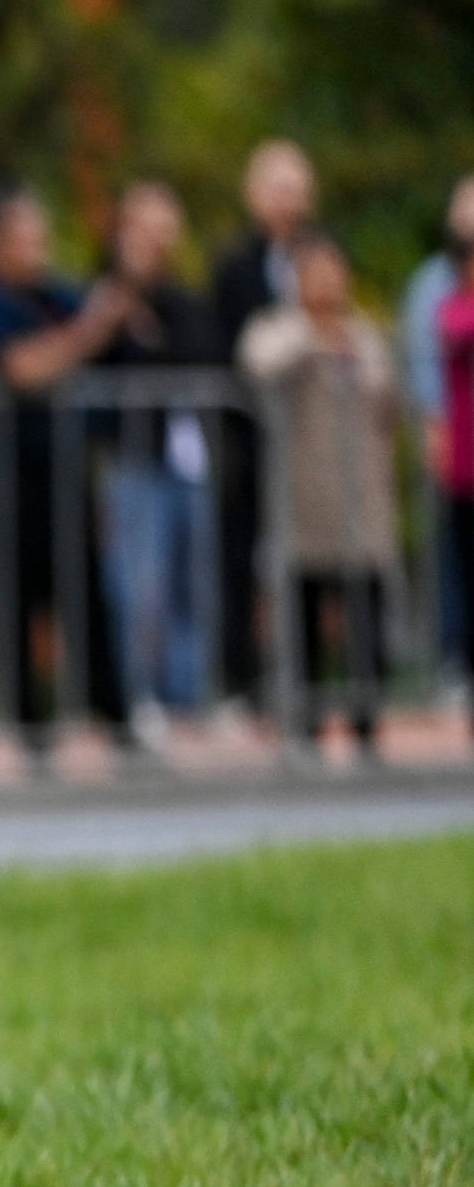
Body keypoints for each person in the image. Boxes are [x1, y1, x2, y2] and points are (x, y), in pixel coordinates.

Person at [0, 182, 134, 774]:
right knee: (18, 596)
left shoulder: (52, 296)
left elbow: (102, 325)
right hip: (7, 470)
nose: (41, 248)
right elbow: (22, 369)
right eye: (29, 236)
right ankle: (31, 725)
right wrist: (88, 333)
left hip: (64, 463)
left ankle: (114, 713)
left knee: (87, 592)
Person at [245, 234, 398, 763]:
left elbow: (386, 397)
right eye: (316, 272)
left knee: (365, 618)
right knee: (305, 619)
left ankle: (367, 723)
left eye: (335, 271)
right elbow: (260, 367)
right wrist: (313, 337)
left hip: (364, 505)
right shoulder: (275, 331)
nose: (328, 283)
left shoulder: (365, 336)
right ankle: (306, 727)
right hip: (303, 504)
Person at [87, 182, 218, 746]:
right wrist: (125, 296)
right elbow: (106, 358)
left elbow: (199, 353)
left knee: (192, 580)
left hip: (187, 457)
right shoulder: (104, 297)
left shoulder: (184, 296)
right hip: (133, 458)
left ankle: (185, 697)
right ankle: (137, 696)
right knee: (140, 585)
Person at [210, 140, 318, 714]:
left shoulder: (324, 257)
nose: (289, 200)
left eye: (297, 187)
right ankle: (241, 683)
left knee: (311, 559)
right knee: (240, 560)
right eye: (277, 187)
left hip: (315, 441)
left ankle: (306, 677)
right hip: (250, 441)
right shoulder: (233, 266)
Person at [399, 174, 474, 703]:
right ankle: (454, 660)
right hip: (460, 444)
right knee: (455, 555)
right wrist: (432, 429)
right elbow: (428, 360)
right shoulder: (436, 287)